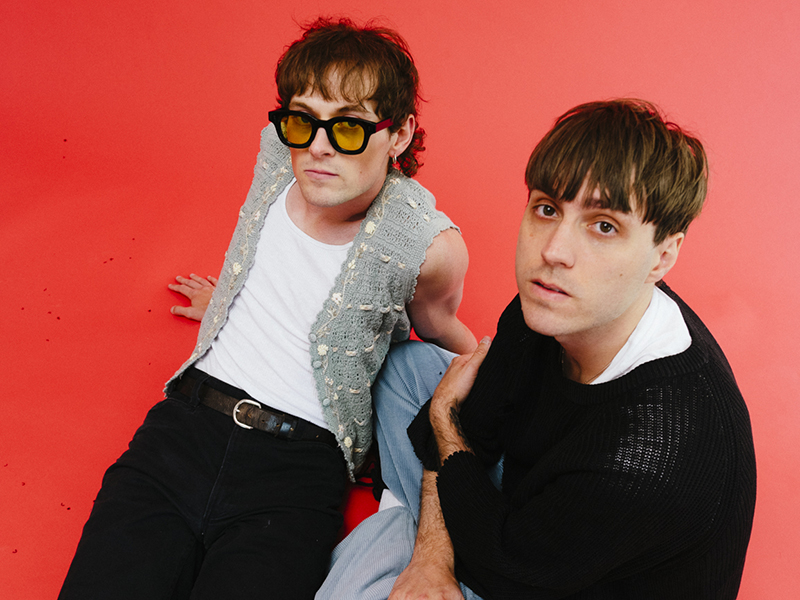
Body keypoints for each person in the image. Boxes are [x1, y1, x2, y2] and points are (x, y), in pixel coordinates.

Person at [59, 18, 476, 600]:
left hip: (295, 473)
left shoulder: (427, 244)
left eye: (350, 126)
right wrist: (230, 301)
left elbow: (438, 327)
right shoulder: (277, 154)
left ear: (400, 134)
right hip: (182, 432)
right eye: (304, 119)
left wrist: (494, 371)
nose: (318, 146)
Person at [317, 99, 756, 600]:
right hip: (529, 506)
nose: (553, 251)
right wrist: (430, 558)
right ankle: (410, 529)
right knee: (406, 367)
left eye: (604, 226)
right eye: (548, 209)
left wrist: (443, 421)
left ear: (663, 255)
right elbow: (473, 424)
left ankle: (396, 522)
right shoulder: (557, 301)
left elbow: (507, 566)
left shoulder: (647, 458)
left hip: (552, 577)